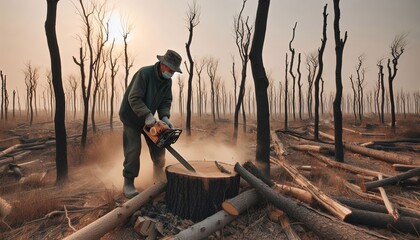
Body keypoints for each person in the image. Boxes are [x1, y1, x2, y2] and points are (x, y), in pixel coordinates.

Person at [119, 49, 182, 198]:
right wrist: (147, 114)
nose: (171, 73)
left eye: (174, 71)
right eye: (170, 69)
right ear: (162, 64)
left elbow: (166, 101)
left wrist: (165, 117)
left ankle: (158, 179)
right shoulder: (144, 74)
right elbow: (134, 98)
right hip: (131, 117)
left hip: (148, 119)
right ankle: (128, 183)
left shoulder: (167, 82)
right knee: (133, 150)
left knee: (159, 145)